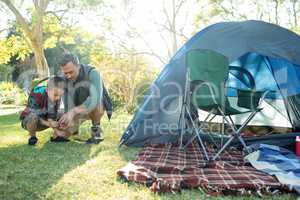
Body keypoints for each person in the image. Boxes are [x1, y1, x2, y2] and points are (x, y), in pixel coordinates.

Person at [58, 53, 112, 144]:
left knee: (97, 103)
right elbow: (67, 101)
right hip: (77, 109)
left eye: (71, 72)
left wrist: (73, 112)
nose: (68, 76)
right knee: (60, 135)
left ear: (78, 66)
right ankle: (75, 129)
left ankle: (96, 131)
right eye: (65, 73)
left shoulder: (93, 73)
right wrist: (68, 117)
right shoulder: (63, 79)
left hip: (95, 107)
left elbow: (95, 99)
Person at [20, 76, 67, 145]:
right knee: (33, 116)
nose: (58, 98)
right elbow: (33, 114)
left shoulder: (55, 97)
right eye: (55, 95)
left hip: (45, 119)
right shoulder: (36, 93)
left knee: (64, 114)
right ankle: (32, 137)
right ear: (47, 90)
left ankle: (56, 136)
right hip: (30, 121)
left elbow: (52, 114)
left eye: (60, 95)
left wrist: (52, 121)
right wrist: (49, 123)